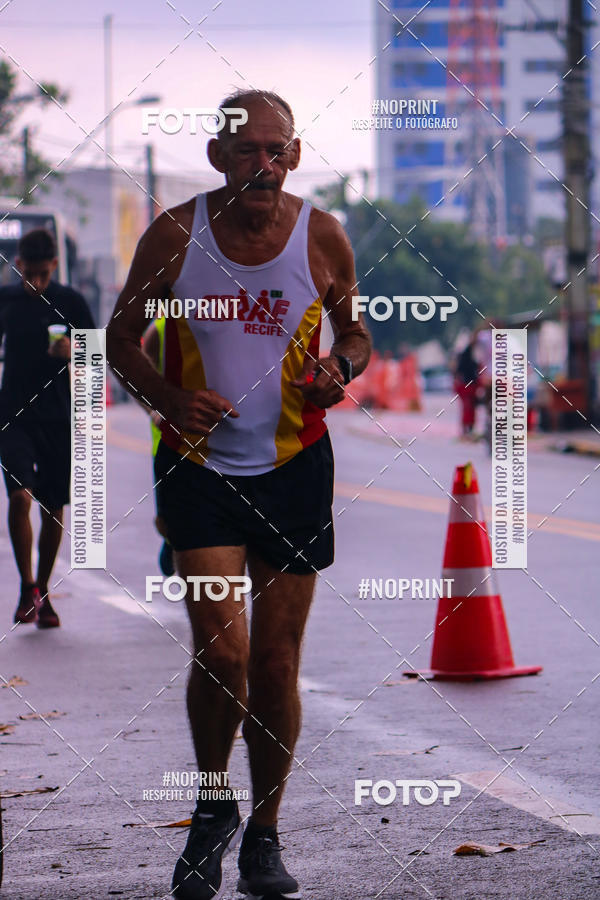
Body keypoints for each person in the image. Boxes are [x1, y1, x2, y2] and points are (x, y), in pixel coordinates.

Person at [107, 89, 371, 900]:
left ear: (295, 156)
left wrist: (341, 368)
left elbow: (356, 332)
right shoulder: (175, 235)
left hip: (296, 466)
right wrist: (165, 396)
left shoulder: (322, 235)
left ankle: (264, 832)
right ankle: (212, 806)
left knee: (276, 661)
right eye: (246, 149)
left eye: (276, 149)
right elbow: (120, 335)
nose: (263, 163)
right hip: (199, 466)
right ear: (217, 157)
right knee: (222, 653)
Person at [0, 228, 95, 627]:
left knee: (53, 505)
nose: (36, 282)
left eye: (43, 274)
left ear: (54, 265)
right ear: (18, 265)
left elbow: (96, 357)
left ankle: (43, 589)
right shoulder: (5, 300)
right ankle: (27, 587)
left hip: (57, 416)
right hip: (13, 416)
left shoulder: (71, 301)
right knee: (20, 497)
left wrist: (74, 350)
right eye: (29, 274)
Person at [142, 316, 174, 576]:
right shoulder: (160, 329)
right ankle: (171, 539)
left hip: (214, 441)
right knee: (170, 514)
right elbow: (138, 374)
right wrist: (152, 409)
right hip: (167, 440)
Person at [453, 337, 481, 437]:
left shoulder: (468, 355)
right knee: (468, 408)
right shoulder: (467, 356)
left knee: (469, 408)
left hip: (469, 386)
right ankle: (467, 429)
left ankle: (468, 429)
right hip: (467, 386)